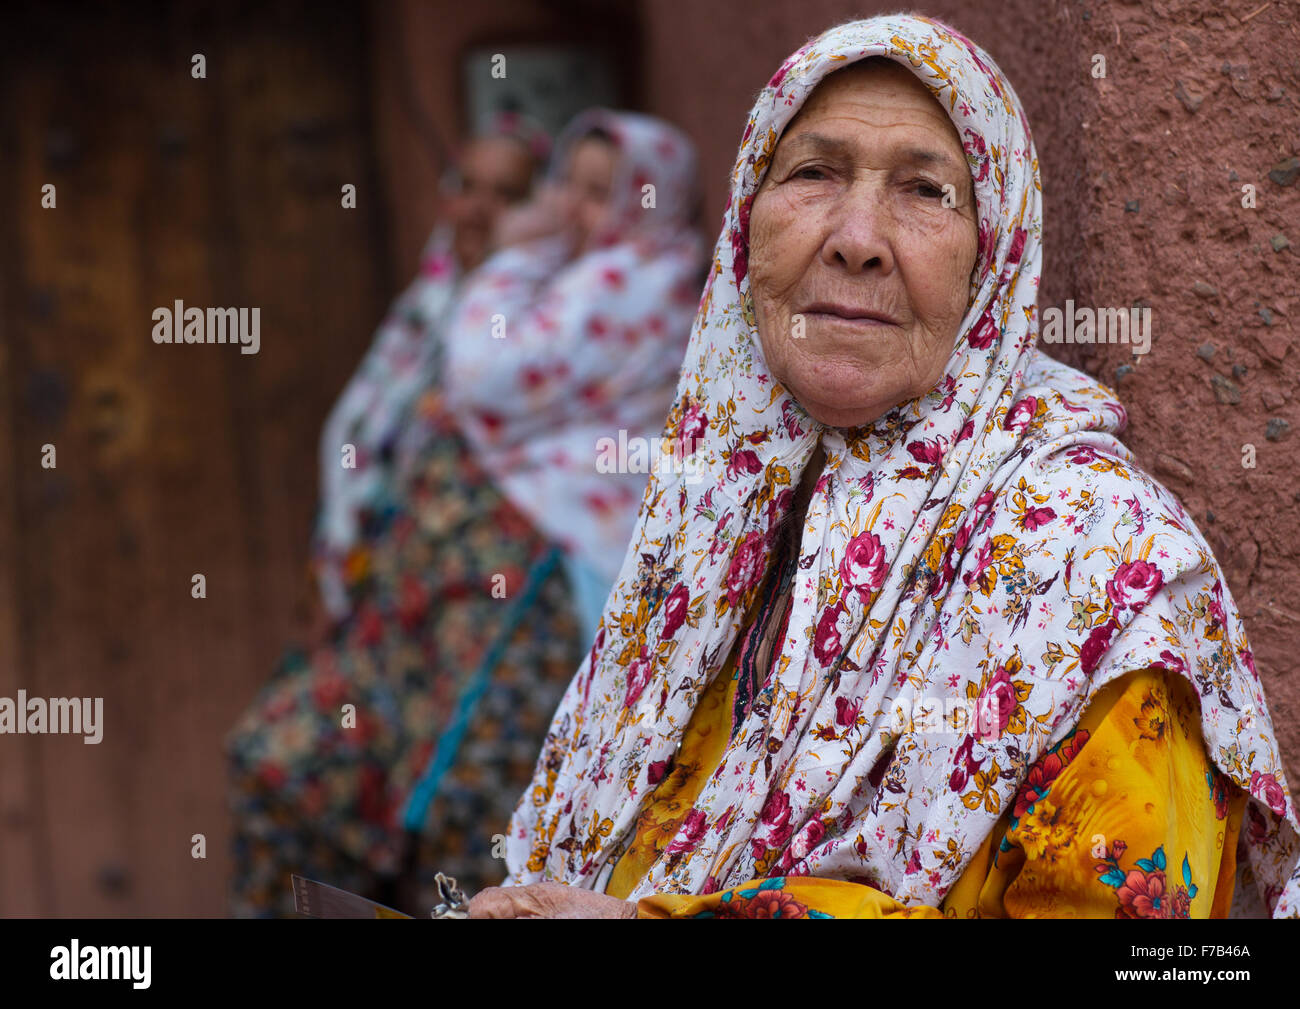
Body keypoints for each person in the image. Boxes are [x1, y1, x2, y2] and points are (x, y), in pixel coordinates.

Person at [469, 14, 1300, 919]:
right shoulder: (719, 507)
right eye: (814, 173)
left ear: (995, 258)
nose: (855, 237)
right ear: (747, 227)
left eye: (925, 190)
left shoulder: (1097, 566)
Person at [225, 109, 707, 917]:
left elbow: (487, 373)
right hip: (407, 611)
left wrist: (521, 258)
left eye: (599, 193)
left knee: (461, 822)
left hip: (515, 599)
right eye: (570, 190)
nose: (571, 213)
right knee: (282, 766)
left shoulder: (628, 281)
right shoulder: (489, 287)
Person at [313, 114, 550, 621]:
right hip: (372, 574)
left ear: (542, 210)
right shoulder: (426, 308)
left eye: (507, 195)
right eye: (465, 188)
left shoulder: (550, 325)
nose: (476, 213)